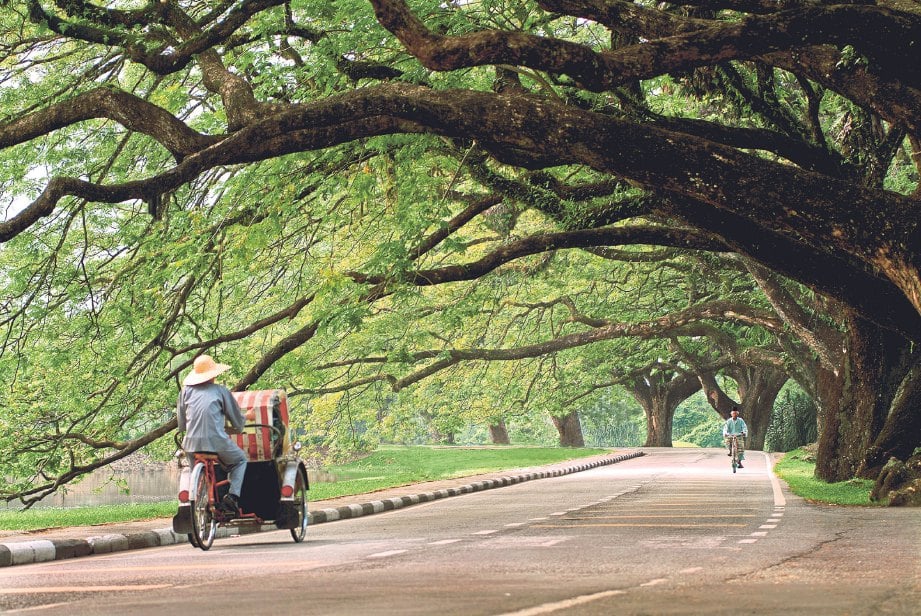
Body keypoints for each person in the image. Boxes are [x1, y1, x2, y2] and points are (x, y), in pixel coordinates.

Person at [177, 354, 248, 516]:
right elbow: (237, 422)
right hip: (216, 442)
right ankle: (232, 496)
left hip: (190, 444)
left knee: (195, 468)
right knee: (239, 460)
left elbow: (181, 424)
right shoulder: (220, 391)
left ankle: (199, 491)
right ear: (213, 375)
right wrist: (243, 420)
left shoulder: (185, 392)